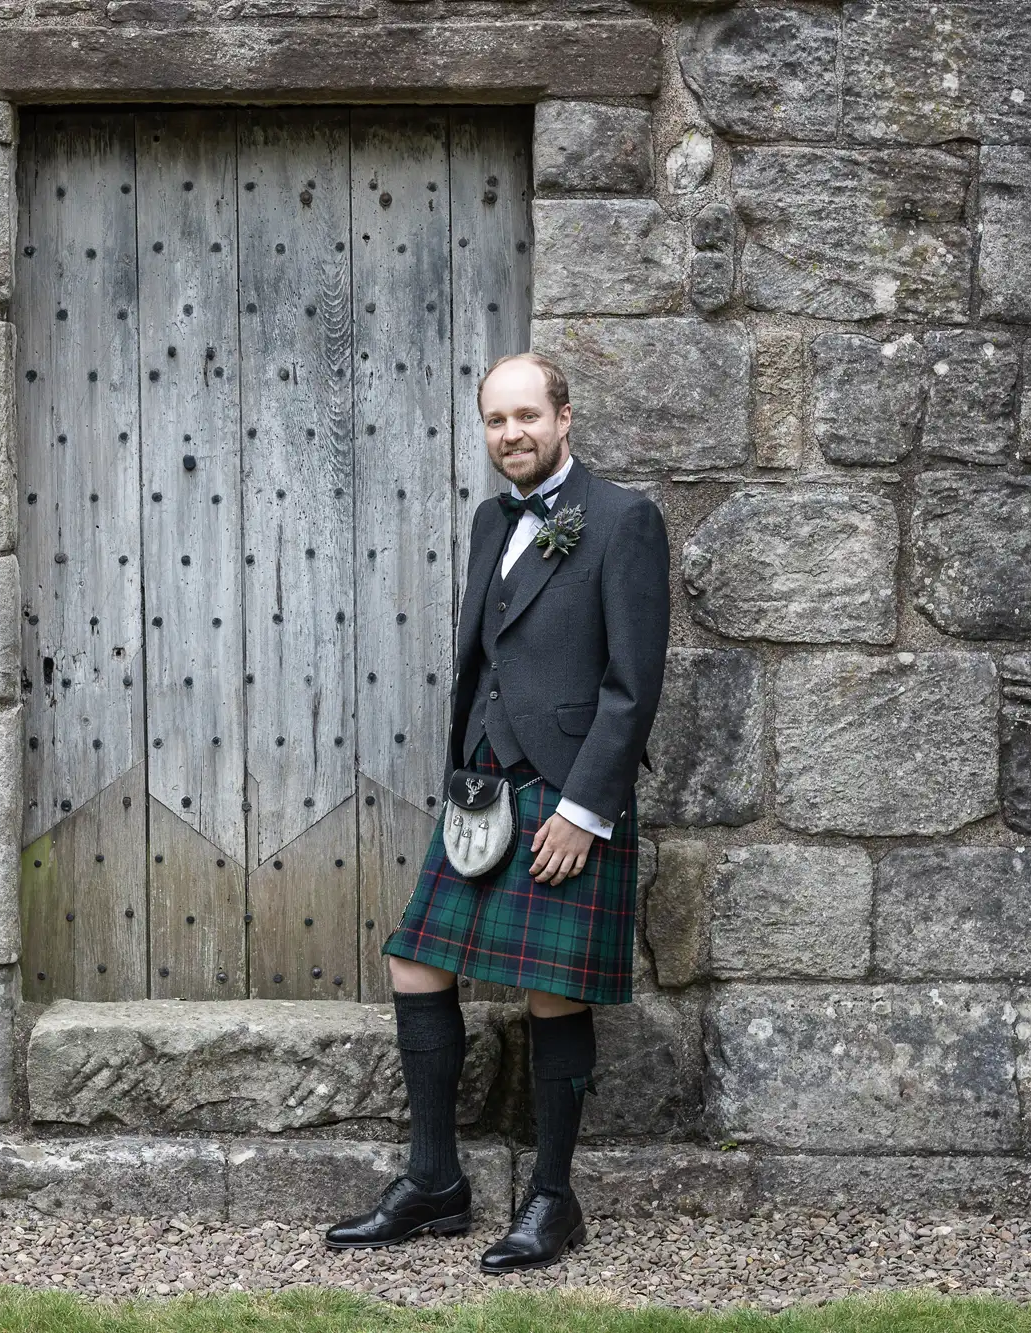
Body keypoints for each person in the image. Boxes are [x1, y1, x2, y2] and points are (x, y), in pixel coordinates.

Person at [323, 351, 671, 1273]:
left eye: (527, 415)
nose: (510, 434)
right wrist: (459, 775)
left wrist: (587, 811)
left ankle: (553, 1198)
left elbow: (632, 687)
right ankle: (436, 1181)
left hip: (565, 792)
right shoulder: (490, 521)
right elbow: (486, 659)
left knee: (551, 986)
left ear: (565, 416)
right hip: (482, 788)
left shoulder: (625, 520)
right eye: (494, 420)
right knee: (414, 960)